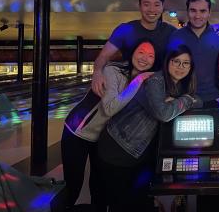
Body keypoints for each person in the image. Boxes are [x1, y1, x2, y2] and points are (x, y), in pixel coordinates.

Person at [97, 45, 201, 212]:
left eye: (185, 63)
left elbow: (199, 100)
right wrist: (187, 100)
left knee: (138, 202)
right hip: (118, 146)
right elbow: (163, 113)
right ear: (168, 62)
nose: (180, 67)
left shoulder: (178, 86)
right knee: (121, 204)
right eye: (176, 62)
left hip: (140, 152)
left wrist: (182, 100)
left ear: (191, 67)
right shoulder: (156, 81)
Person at [61, 40, 155, 210]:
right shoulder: (113, 71)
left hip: (103, 138)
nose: (144, 58)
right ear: (132, 53)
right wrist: (139, 80)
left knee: (100, 187)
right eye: (141, 52)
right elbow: (110, 108)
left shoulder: (147, 82)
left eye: (150, 56)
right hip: (78, 132)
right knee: (73, 185)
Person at [91, 0, 176, 96]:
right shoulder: (125, 30)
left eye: (156, 5)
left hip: (159, 90)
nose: (151, 9)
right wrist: (97, 72)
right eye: (146, 4)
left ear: (162, 7)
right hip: (129, 89)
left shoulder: (170, 31)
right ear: (139, 6)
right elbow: (104, 56)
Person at [168, 0, 219, 108]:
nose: (197, 15)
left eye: (202, 11)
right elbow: (169, 68)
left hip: (214, 99)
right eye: (193, 10)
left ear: (209, 13)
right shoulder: (176, 36)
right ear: (187, 11)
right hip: (183, 99)